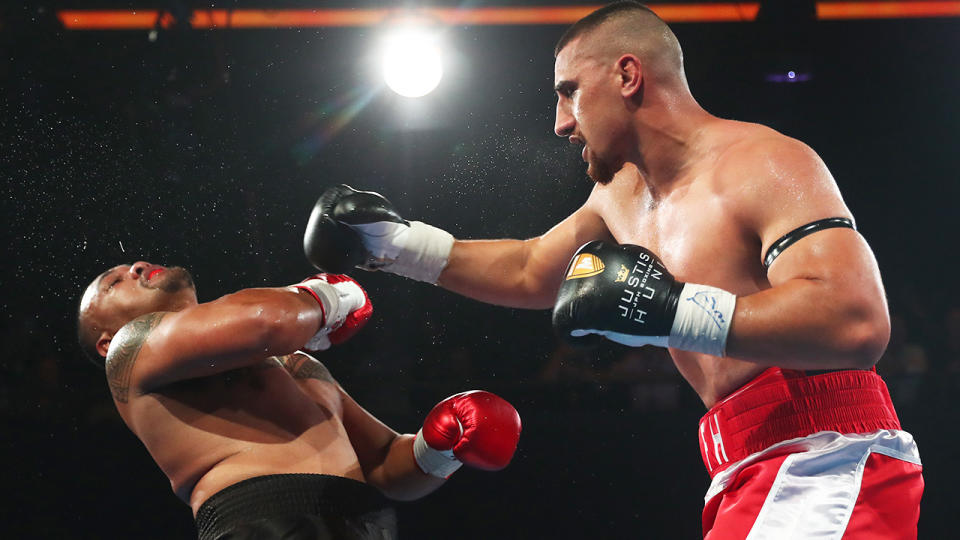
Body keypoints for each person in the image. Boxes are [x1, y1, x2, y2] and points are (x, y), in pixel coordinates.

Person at [303, 2, 922, 538]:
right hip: (744, 466)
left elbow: (855, 320)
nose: (561, 122)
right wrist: (394, 245)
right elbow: (528, 269)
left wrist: (673, 311)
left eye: (569, 90)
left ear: (628, 75)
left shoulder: (762, 163)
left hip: (827, 456)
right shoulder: (620, 196)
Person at [77, 261, 521, 539]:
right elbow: (267, 320)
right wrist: (331, 294)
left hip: (366, 523)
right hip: (263, 522)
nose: (134, 267)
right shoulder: (130, 351)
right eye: (114, 283)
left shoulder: (291, 363)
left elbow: (385, 465)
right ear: (105, 341)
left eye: (131, 266)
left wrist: (440, 448)